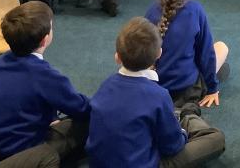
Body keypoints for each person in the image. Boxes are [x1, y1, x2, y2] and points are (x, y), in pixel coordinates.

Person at [86, 17, 225, 167]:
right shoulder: (159, 95)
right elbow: (172, 146)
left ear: (117, 57)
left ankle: (179, 116)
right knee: (216, 139)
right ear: (159, 53)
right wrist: (182, 134)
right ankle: (185, 115)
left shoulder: (105, 86)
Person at [0, 1, 90, 166]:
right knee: (85, 124)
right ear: (45, 40)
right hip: (16, 155)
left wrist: (51, 117)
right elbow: (82, 108)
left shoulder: (1, 62)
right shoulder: (46, 76)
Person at [144, 0, 230, 109]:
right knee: (222, 48)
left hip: (156, 88)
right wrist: (212, 88)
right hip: (187, 90)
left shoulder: (151, 12)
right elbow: (206, 54)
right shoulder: (196, 11)